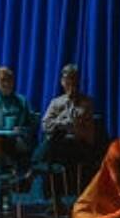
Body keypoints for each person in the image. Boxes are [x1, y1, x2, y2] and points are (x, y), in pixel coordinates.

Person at [37, 63, 101, 203]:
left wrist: (61, 123)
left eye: (73, 79)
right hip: (60, 145)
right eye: (67, 80)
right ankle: (55, 200)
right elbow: (45, 125)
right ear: (62, 82)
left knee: (53, 143)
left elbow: (78, 126)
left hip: (80, 145)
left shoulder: (86, 102)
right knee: (55, 144)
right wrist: (62, 123)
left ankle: (32, 167)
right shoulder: (56, 102)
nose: (70, 83)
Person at [0, 66, 37, 169]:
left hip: (17, 140)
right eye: (3, 80)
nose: (7, 83)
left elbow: (32, 125)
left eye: (9, 80)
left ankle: (3, 165)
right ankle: (3, 166)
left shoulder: (22, 101)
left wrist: (22, 129)